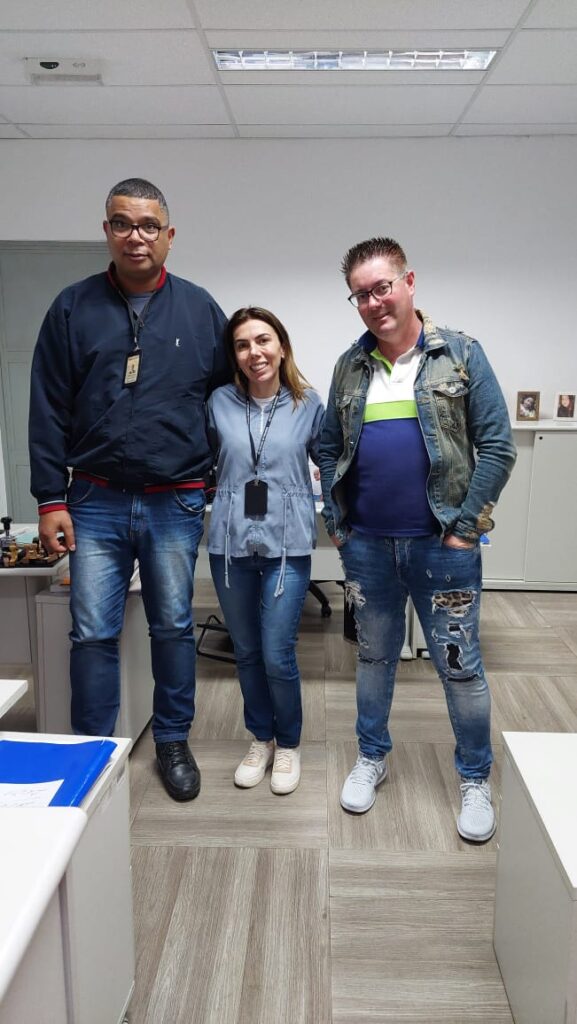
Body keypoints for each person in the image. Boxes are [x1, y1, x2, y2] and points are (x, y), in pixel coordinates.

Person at [28, 178, 230, 802]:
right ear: (107, 231)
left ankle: (172, 740)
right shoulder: (72, 307)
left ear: (169, 235)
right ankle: (94, 750)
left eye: (148, 225)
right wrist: (50, 498)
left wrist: (216, 481)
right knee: (92, 632)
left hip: (175, 501)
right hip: (95, 501)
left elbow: (225, 402)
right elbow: (47, 405)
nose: (135, 236)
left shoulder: (200, 310)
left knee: (172, 626)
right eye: (122, 223)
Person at [319, 237, 516, 842]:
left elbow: (498, 447)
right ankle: (371, 756)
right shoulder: (349, 366)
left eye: (382, 287)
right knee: (374, 659)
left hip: (441, 548)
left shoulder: (460, 355)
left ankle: (474, 778)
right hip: (368, 550)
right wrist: (338, 527)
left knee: (460, 667)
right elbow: (328, 448)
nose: (373, 303)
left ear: (408, 282)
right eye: (360, 295)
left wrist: (464, 530)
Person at [207, 307, 324, 794]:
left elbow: (333, 463)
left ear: (281, 346)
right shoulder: (218, 403)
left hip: (286, 545)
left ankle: (289, 743)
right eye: (242, 344)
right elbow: (200, 461)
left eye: (263, 340)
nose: (254, 352)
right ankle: (261, 738)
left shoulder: (308, 404)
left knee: (277, 652)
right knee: (247, 651)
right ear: (233, 355)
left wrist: (347, 515)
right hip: (230, 544)